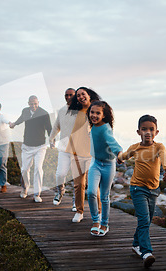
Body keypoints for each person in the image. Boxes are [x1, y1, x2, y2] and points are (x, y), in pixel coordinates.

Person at [117, 114, 166, 268]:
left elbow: (165, 158)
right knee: (143, 220)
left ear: (157, 132)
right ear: (138, 131)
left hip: (154, 190)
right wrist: (120, 158)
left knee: (146, 221)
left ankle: (136, 245)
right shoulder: (135, 147)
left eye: (151, 129)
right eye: (144, 129)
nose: (148, 132)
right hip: (137, 188)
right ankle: (146, 252)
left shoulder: (159, 147)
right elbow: (125, 156)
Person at [86, 100, 122, 236]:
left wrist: (119, 153)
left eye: (97, 113)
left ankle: (104, 224)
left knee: (105, 196)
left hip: (108, 165)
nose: (94, 115)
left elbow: (112, 142)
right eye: (92, 112)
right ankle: (96, 220)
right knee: (90, 192)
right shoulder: (92, 126)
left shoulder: (106, 128)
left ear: (104, 115)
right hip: (95, 163)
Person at [67, 87, 102, 223]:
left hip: (91, 154)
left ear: (89, 94)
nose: (81, 97)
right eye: (78, 95)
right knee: (78, 185)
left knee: (93, 186)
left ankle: (99, 212)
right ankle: (79, 211)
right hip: (75, 152)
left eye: (83, 94)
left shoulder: (96, 109)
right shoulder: (75, 112)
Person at [10, 95, 52, 203]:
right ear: (28, 103)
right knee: (24, 169)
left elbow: (49, 128)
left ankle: (37, 194)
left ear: (38, 102)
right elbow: (21, 119)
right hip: (27, 146)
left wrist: (52, 141)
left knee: (38, 168)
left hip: (40, 146)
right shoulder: (25, 111)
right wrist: (14, 124)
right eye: (31, 104)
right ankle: (25, 189)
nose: (33, 106)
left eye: (35, 104)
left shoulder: (44, 113)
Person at [49, 88, 76, 210]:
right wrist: (51, 138)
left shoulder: (82, 110)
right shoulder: (61, 110)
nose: (68, 97)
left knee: (78, 177)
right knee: (60, 174)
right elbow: (56, 126)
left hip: (78, 150)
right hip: (64, 148)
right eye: (66, 95)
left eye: (71, 95)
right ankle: (60, 192)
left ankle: (77, 200)